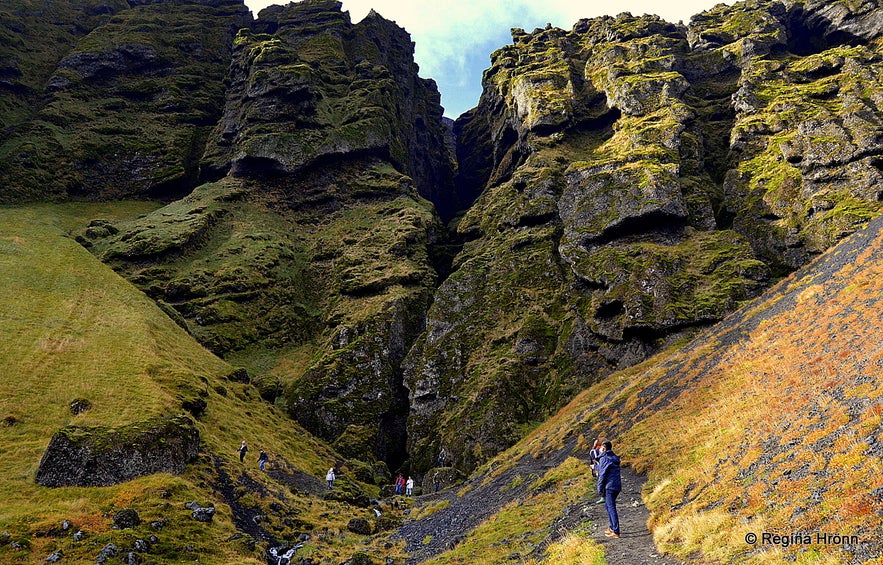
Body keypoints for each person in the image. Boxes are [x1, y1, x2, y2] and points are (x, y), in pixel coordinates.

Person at [596, 440, 622, 538]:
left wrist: (599, 488)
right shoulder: (613, 458)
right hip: (616, 485)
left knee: (611, 507)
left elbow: (602, 474)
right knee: (608, 506)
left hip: (609, 486)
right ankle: (612, 527)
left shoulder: (604, 458)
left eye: (601, 448)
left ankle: (616, 531)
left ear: (604, 448)